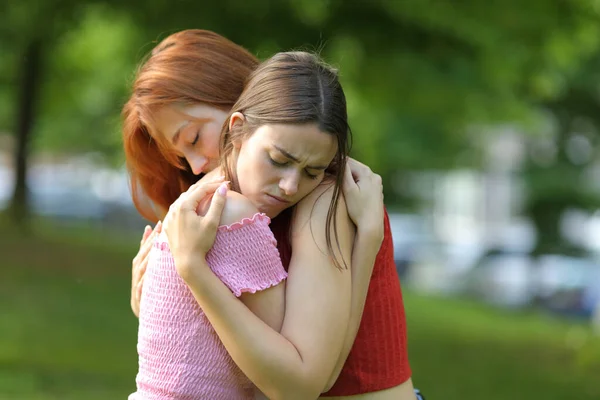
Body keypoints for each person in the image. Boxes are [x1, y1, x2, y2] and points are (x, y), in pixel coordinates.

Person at [123, 30, 416, 399]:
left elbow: (306, 381)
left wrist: (368, 241)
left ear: (238, 114)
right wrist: (157, 301)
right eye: (181, 155)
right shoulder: (237, 206)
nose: (197, 168)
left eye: (195, 137)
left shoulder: (320, 196)